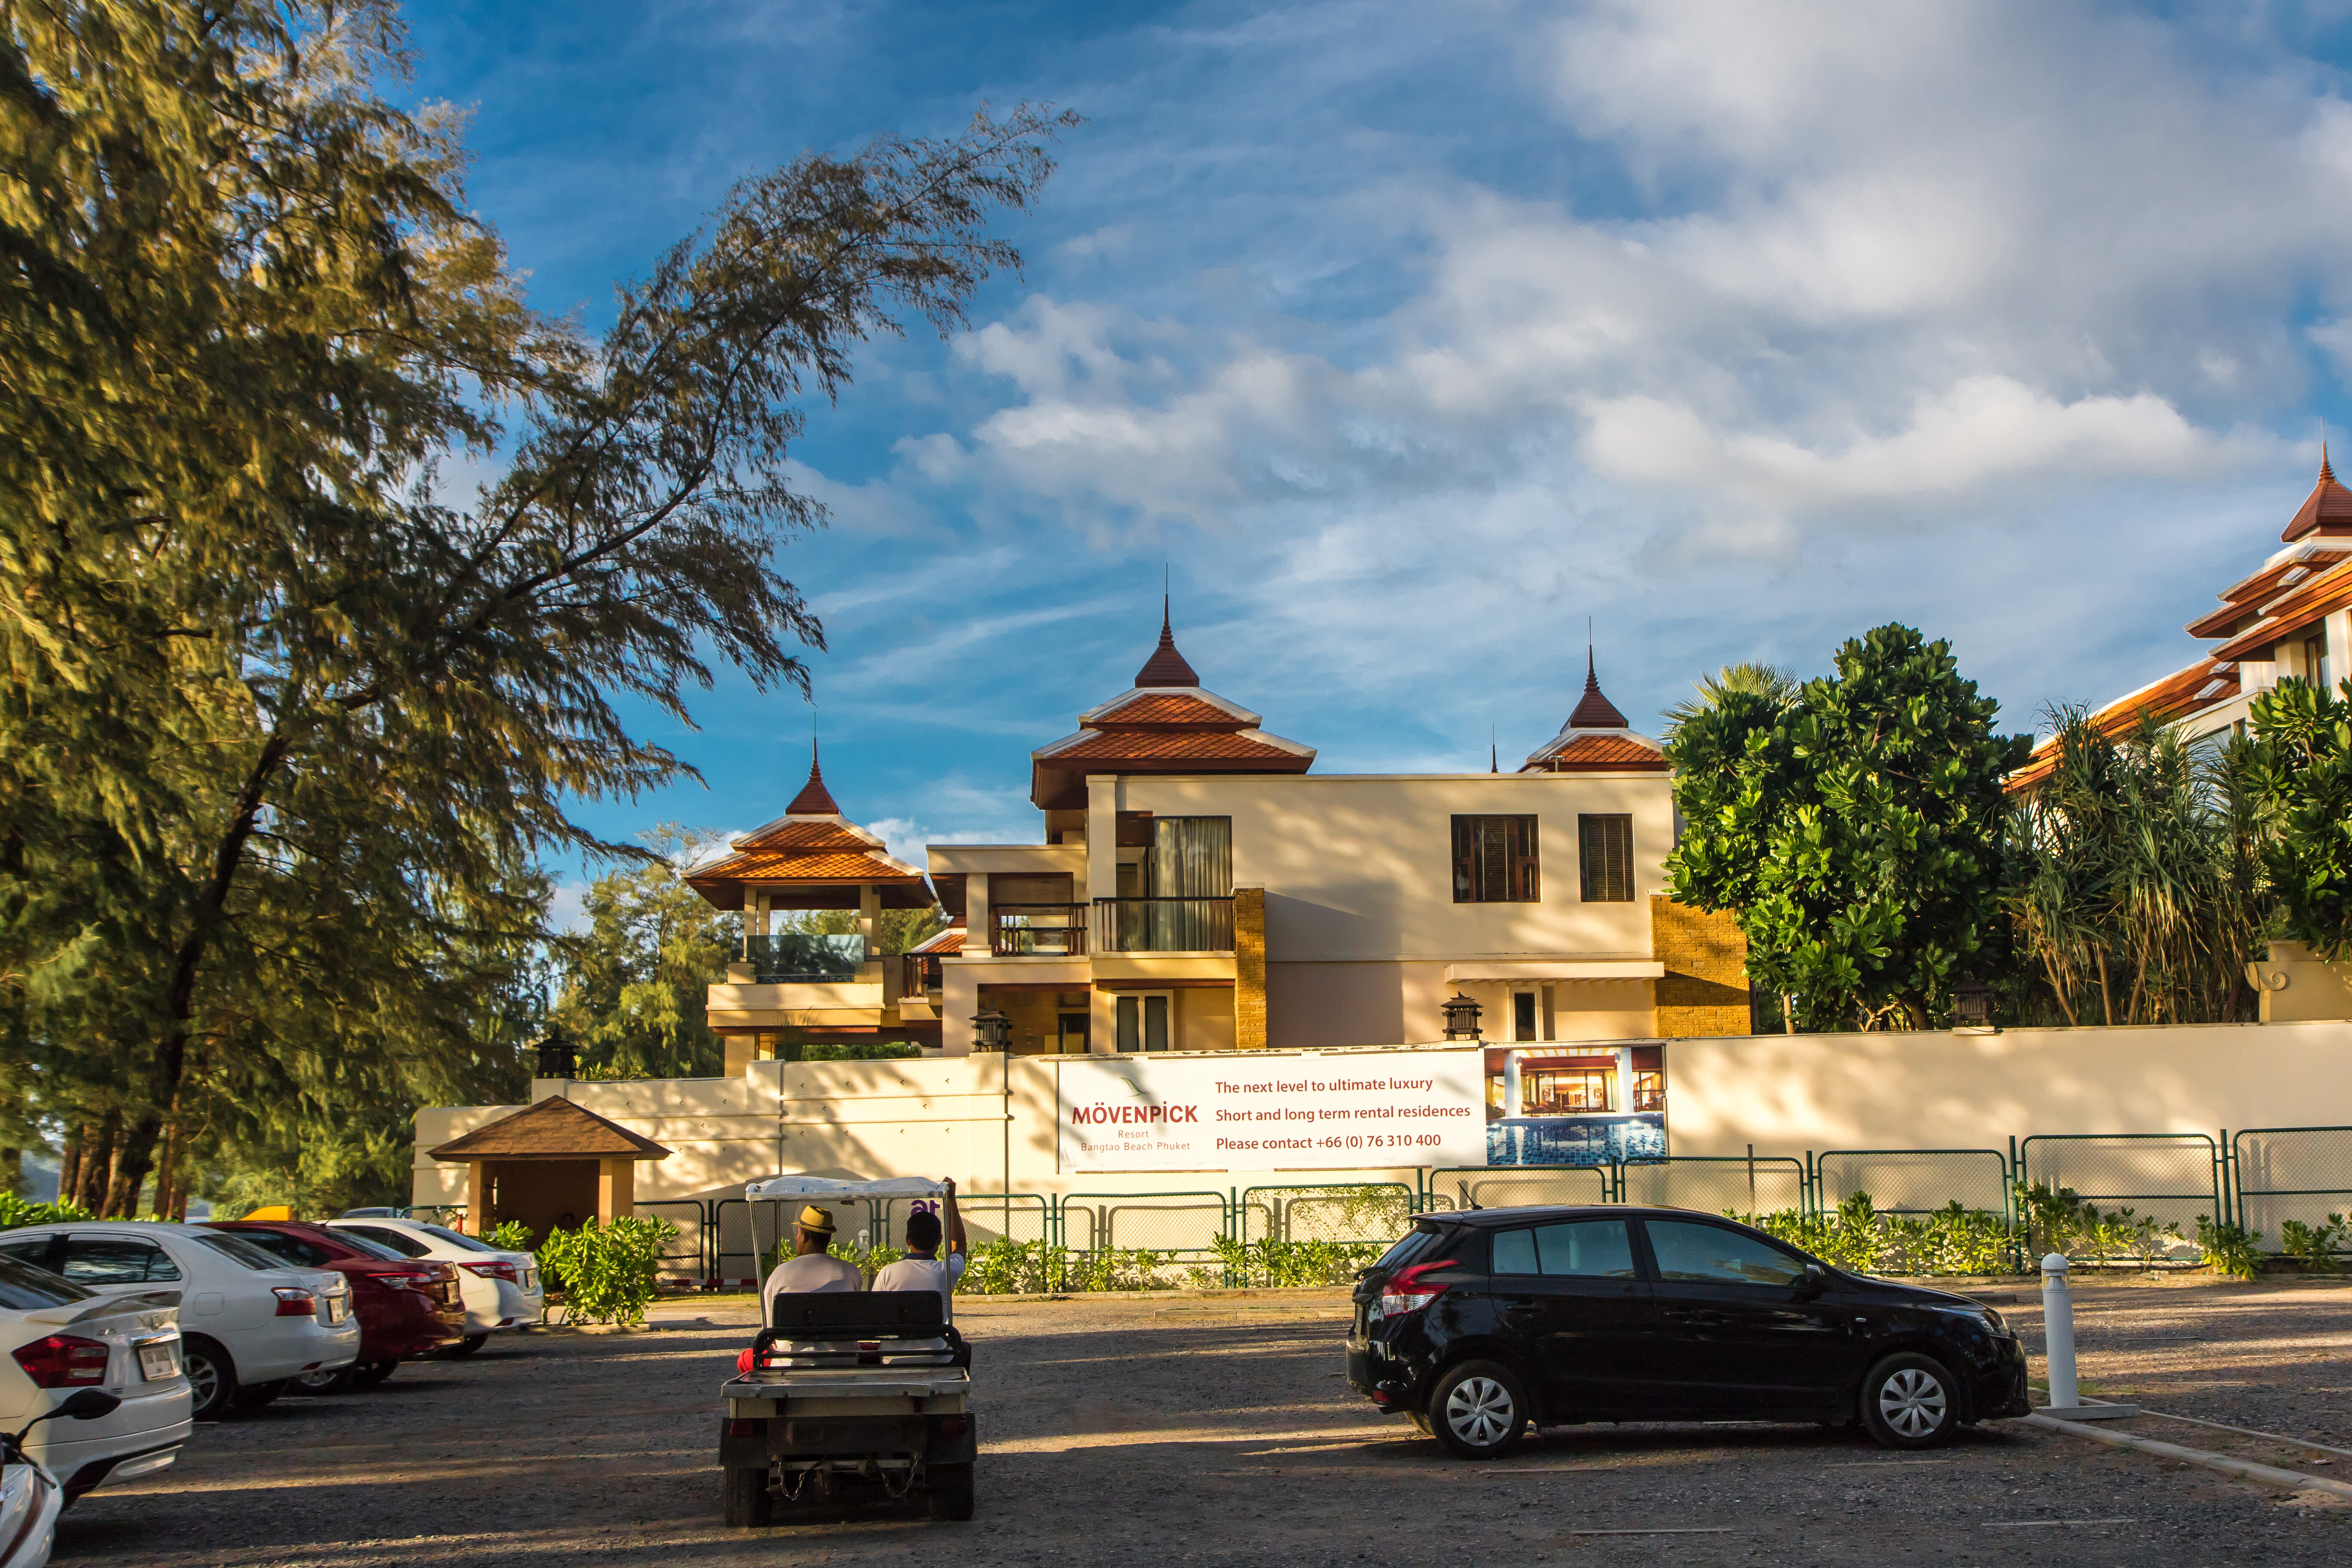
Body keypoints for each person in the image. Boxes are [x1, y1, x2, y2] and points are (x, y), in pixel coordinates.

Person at [872, 1179, 967, 1322]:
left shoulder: (887, 1273)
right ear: (940, 1240)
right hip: (936, 1344)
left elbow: (875, 1313)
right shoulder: (946, 1272)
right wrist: (952, 1201)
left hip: (894, 1344)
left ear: (908, 1240)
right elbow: (959, 1248)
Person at [758, 1204, 862, 1326]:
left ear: (805, 1237)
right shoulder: (851, 1272)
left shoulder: (781, 1273)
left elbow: (769, 1325)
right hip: (841, 1345)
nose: (796, 1238)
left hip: (796, 1344)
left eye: (798, 1233)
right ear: (828, 1239)